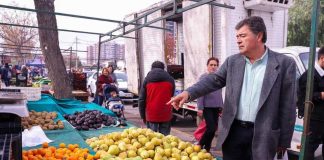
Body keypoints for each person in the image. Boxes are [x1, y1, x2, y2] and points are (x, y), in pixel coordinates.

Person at [168, 16, 296, 160]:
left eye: (242, 35)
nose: (238, 40)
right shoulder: (232, 62)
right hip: (233, 133)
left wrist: (284, 141)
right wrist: (188, 93)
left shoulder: (284, 64)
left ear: (259, 36)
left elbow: (288, 106)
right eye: (237, 36)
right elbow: (213, 80)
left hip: (263, 135)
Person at [297, 46, 324, 159]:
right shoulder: (308, 76)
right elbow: (303, 98)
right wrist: (320, 95)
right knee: (308, 150)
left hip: (322, 120)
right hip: (313, 121)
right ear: (322, 58)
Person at [138, 61, 175, 135]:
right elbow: (171, 95)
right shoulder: (170, 79)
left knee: (152, 140)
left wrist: (143, 115)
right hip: (166, 113)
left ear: (152, 68)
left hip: (151, 113)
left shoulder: (147, 80)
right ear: (163, 69)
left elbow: (142, 99)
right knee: (165, 140)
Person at [196, 57, 223, 151]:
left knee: (213, 129)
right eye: (211, 65)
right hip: (207, 107)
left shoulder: (219, 78)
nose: (213, 67)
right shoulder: (203, 77)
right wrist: (200, 107)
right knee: (211, 128)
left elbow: (219, 94)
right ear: (207, 66)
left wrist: (221, 107)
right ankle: (200, 143)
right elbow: (200, 93)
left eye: (215, 65)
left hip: (216, 107)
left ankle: (207, 149)